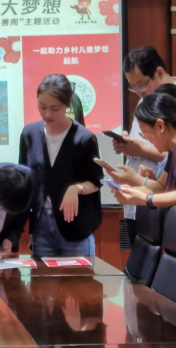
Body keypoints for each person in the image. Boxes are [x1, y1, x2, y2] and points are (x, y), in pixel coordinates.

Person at [19, 74, 103, 258]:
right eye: (42, 106)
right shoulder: (29, 134)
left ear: (68, 104)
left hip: (76, 227)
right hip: (41, 227)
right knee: (42, 277)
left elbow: (96, 181)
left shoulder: (84, 138)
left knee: (79, 277)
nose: (47, 114)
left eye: (55, 108)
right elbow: (24, 178)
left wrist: (76, 188)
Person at [111, 47, 176, 244]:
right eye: (132, 87)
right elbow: (161, 185)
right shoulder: (146, 101)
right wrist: (136, 181)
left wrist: (142, 150)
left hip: (171, 215)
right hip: (146, 201)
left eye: (141, 84)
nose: (138, 92)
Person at [113, 92, 176, 208]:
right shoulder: (175, 149)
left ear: (160, 126)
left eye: (144, 132)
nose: (146, 138)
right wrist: (130, 191)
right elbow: (161, 188)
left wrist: (147, 199)